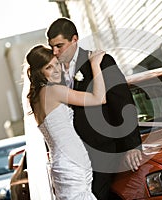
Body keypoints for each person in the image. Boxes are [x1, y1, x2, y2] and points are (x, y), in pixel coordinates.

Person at [46, 17, 143, 199]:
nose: (55, 51)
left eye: (59, 45)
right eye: (52, 46)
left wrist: (132, 146)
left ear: (74, 39)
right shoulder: (52, 72)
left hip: (105, 151)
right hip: (75, 159)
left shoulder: (101, 62)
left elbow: (123, 102)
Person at [26, 44, 106, 200]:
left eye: (56, 63)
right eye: (49, 67)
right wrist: (95, 64)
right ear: (39, 73)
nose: (56, 70)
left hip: (63, 162)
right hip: (71, 164)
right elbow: (99, 98)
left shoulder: (35, 99)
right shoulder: (53, 91)